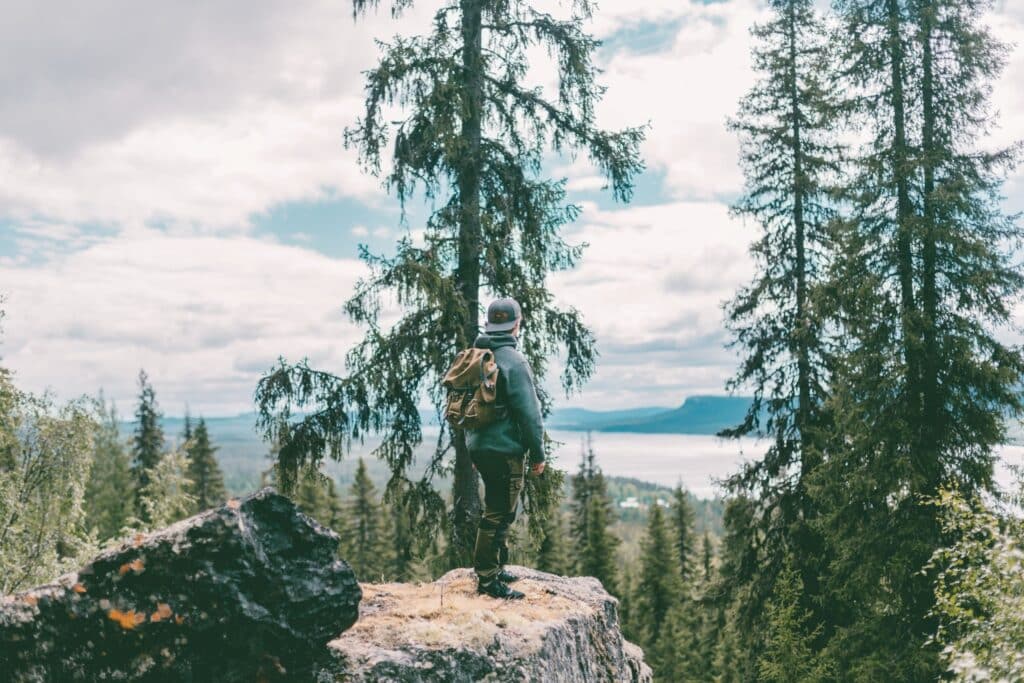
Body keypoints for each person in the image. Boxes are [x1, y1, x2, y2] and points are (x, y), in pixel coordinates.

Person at [466, 297, 546, 600]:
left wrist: (474, 447)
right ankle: (488, 580)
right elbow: (530, 415)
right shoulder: (514, 361)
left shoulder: (476, 356)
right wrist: (537, 454)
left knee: (499, 510)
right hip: (504, 451)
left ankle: (495, 567)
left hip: (480, 447)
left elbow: (465, 408)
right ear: (517, 323)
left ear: (489, 324)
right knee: (499, 512)